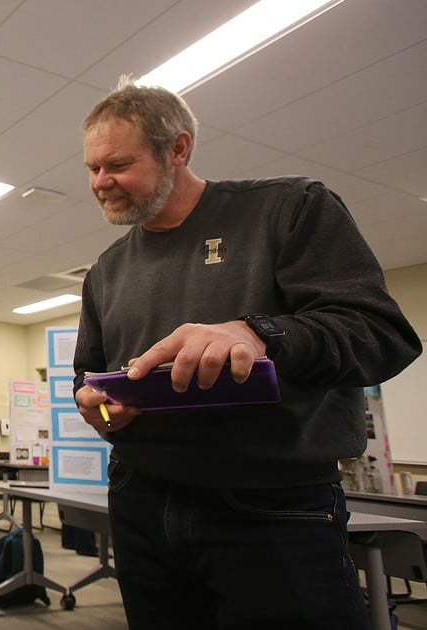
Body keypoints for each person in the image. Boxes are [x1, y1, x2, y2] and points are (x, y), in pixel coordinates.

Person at [73, 76, 422, 628]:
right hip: (141, 500)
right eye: (92, 168)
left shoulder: (290, 210)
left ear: (178, 149)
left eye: (116, 165)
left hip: (271, 508)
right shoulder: (107, 271)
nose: (101, 182)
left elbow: (381, 334)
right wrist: (102, 409)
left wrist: (258, 334)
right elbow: (88, 382)